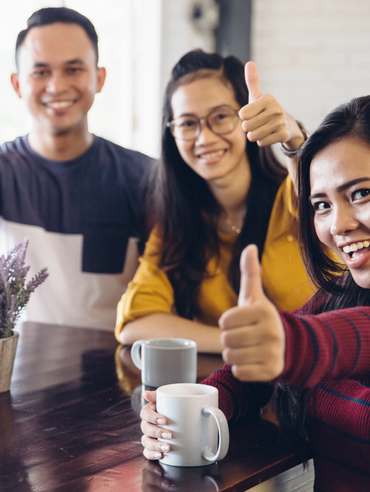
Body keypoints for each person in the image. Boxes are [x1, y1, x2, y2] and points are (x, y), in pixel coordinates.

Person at [140, 94, 370, 490]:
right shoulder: (344, 296)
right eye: (321, 204)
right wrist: (190, 407)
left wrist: (289, 341)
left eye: (361, 193)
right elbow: (251, 378)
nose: (338, 225)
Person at [0, 7, 154, 329]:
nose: (56, 86)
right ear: (17, 85)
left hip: (116, 371)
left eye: (73, 69)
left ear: (99, 78)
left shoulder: (144, 177)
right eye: (40, 72)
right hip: (13, 371)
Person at [116, 50, 316, 353]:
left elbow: (321, 199)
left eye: (220, 117)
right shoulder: (180, 222)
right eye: (187, 123)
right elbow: (134, 322)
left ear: (247, 116)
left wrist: (294, 141)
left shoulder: (290, 199)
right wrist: (237, 344)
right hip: (229, 389)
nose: (204, 138)